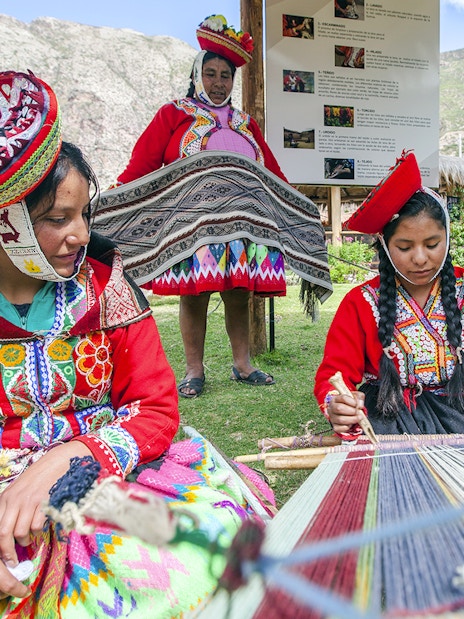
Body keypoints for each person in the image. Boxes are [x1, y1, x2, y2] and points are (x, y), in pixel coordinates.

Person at [0, 70, 272, 617]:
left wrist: (62, 461)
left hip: (106, 481)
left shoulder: (103, 284)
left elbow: (155, 407)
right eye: (57, 219)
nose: (78, 235)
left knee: (198, 550)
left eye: (82, 215)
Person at [116, 15, 289, 398]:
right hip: (194, 224)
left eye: (225, 76)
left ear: (232, 80)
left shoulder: (245, 124)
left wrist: (291, 207)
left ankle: (243, 365)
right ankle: (194, 371)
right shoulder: (174, 114)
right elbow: (141, 165)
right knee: (194, 292)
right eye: (210, 74)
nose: (218, 82)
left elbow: (272, 172)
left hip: (245, 225)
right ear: (198, 74)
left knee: (239, 292)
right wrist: (120, 201)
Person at [314, 150, 464, 438]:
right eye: (405, 247)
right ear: (385, 246)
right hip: (389, 416)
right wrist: (337, 402)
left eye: (432, 244)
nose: (420, 259)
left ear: (446, 238)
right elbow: (334, 373)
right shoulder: (361, 302)